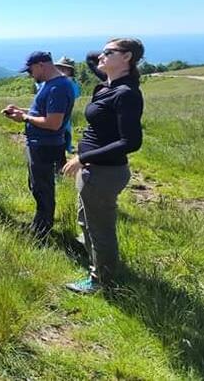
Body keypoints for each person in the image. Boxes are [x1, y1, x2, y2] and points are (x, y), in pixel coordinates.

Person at [62, 39, 145, 294]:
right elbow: (90, 56)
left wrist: (83, 158)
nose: (101, 56)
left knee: (100, 229)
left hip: (103, 172)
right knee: (86, 222)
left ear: (127, 57)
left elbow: (131, 142)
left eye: (108, 53)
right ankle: (97, 267)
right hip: (93, 170)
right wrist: (110, 56)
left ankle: (101, 282)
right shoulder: (111, 84)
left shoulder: (126, 93)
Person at [1, 51, 75, 239]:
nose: (30, 75)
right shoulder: (51, 85)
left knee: (43, 188)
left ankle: (42, 231)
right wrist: (21, 111)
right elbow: (42, 112)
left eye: (30, 70)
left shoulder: (58, 87)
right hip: (40, 144)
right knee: (37, 185)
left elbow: (53, 123)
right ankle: (40, 224)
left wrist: (25, 117)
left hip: (45, 145)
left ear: (41, 65)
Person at [54, 57, 83, 155]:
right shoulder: (54, 81)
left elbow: (76, 94)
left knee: (64, 135)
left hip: (63, 116)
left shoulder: (71, 84)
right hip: (54, 116)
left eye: (64, 69)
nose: (61, 71)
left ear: (70, 71)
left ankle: (65, 152)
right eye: (59, 68)